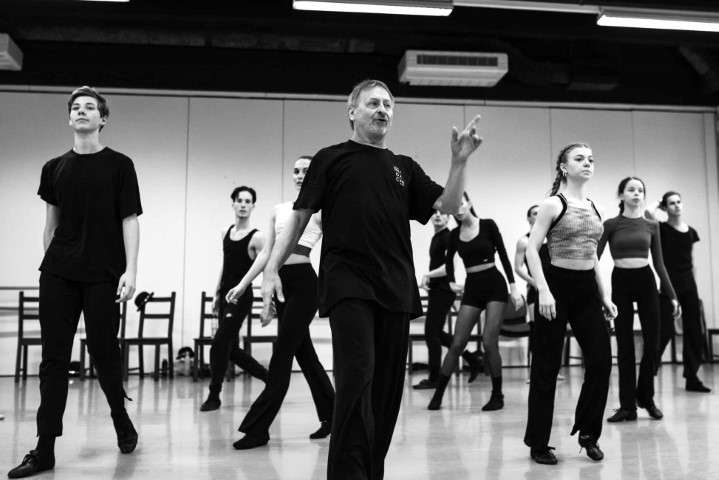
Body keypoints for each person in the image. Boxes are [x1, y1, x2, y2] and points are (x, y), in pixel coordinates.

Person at [259, 79, 483, 480]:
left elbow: (446, 205)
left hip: (395, 288)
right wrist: (271, 269)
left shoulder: (404, 167)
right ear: (352, 111)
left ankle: (370, 471)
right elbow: (300, 217)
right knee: (356, 379)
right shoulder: (330, 159)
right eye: (373, 103)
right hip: (348, 284)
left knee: (385, 392)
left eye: (388, 105)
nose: (382, 110)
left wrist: (459, 162)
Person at [8, 87, 142, 478]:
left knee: (104, 354)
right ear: (69, 118)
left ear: (103, 119)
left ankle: (120, 418)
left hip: (103, 275)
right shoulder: (53, 168)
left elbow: (129, 220)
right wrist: (52, 264)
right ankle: (44, 449)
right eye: (76, 107)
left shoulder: (120, 165)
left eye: (90, 107)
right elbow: (50, 225)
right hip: (58, 274)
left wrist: (131, 270)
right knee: (53, 360)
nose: (82, 111)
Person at [227, 156, 335, 449]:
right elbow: (267, 254)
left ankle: (258, 429)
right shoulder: (279, 209)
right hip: (280, 284)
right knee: (306, 355)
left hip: (305, 285)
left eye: (306, 171)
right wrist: (244, 284)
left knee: (282, 354)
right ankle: (333, 415)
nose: (300, 175)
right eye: (296, 171)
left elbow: (335, 249)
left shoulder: (321, 209)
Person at [523, 142, 616, 466]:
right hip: (555, 287)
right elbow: (532, 249)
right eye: (579, 158)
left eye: (591, 159)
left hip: (586, 290)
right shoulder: (552, 204)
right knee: (547, 366)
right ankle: (538, 442)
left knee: (601, 362)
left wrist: (604, 295)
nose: (587, 163)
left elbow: (593, 256)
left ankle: (588, 434)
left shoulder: (597, 207)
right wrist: (543, 290)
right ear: (564, 167)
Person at [427, 193, 522, 411]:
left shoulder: (488, 225)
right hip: (472, 288)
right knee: (457, 343)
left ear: (469, 204)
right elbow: (448, 261)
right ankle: (438, 394)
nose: (458, 209)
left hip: (495, 285)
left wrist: (513, 286)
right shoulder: (454, 234)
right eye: (454, 206)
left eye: (461, 204)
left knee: (489, 341)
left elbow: (503, 255)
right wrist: (451, 282)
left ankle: (497, 395)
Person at [597, 177, 680, 423]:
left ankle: (646, 397)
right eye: (631, 190)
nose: (637, 193)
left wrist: (672, 296)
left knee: (652, 344)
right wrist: (600, 295)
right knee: (625, 347)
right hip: (621, 282)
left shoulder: (651, 226)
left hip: (646, 281)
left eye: (640, 190)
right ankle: (627, 407)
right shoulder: (611, 224)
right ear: (621, 195)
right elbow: (594, 259)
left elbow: (660, 264)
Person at [199, 186, 269, 412]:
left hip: (240, 297)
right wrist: (216, 293)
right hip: (224, 295)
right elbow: (225, 265)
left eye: (248, 201)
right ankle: (270, 378)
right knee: (229, 348)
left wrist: (268, 301)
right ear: (233, 204)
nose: (243, 205)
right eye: (239, 200)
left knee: (219, 344)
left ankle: (214, 395)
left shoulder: (257, 237)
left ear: (253, 206)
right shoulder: (225, 232)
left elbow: (267, 268)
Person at [646, 191, 712, 393]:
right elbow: (648, 212)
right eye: (671, 203)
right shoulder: (662, 228)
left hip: (689, 286)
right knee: (664, 331)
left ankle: (692, 377)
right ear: (665, 207)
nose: (676, 205)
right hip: (669, 285)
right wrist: (659, 202)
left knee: (694, 332)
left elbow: (692, 261)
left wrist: (693, 285)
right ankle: (648, 375)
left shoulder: (691, 232)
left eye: (678, 202)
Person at [413, 212, 481, 390]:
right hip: (438, 290)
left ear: (448, 218)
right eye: (435, 212)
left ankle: (435, 378)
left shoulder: (448, 236)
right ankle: (471, 358)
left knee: (431, 333)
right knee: (436, 333)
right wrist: (430, 281)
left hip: (444, 291)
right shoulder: (437, 237)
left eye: (442, 213)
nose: (437, 215)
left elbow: (449, 266)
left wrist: (427, 275)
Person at [513, 205, 563, 383]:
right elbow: (518, 267)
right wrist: (534, 282)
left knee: (555, 330)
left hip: (556, 289)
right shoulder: (524, 241)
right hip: (535, 291)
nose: (538, 214)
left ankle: (553, 370)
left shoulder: (553, 239)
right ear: (528, 218)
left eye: (540, 212)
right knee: (537, 331)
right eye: (534, 213)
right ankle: (534, 371)